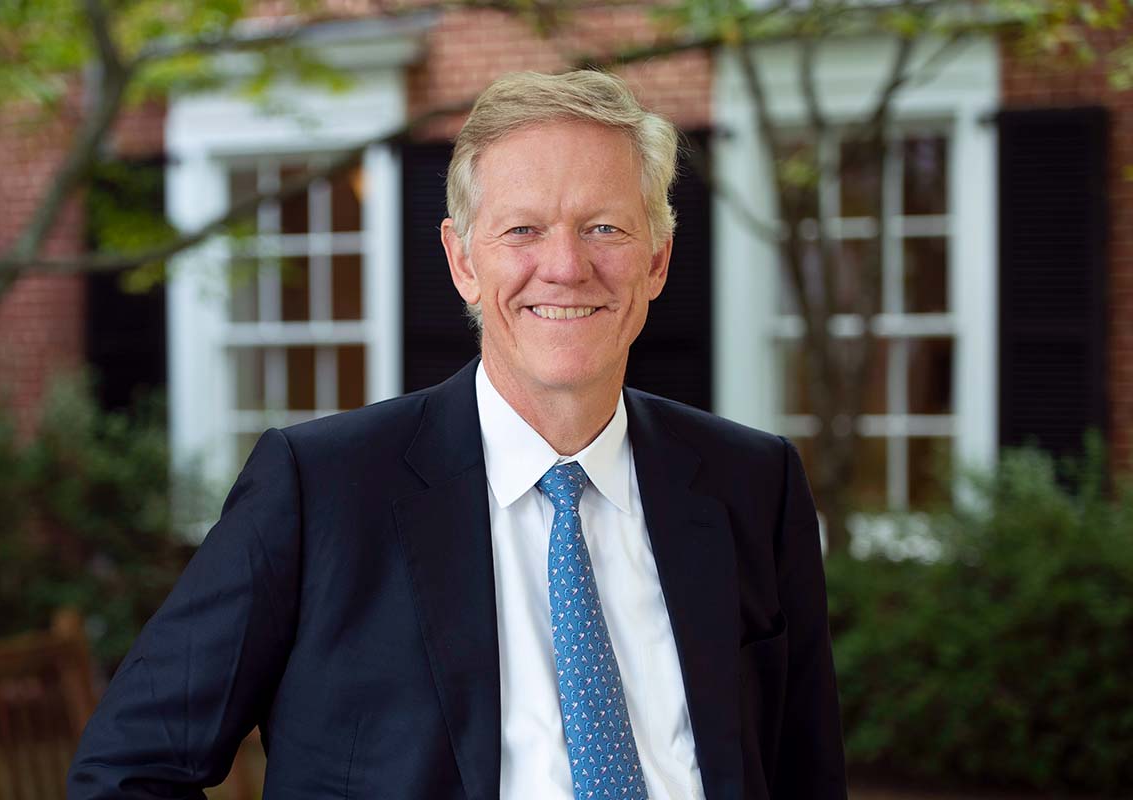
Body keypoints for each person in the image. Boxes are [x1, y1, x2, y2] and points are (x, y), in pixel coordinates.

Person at [68, 70, 847, 800]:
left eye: (604, 227)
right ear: (462, 261)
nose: (565, 266)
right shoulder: (319, 490)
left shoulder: (754, 483)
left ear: (658, 261)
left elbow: (805, 774)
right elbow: (127, 769)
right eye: (522, 229)